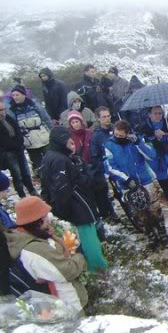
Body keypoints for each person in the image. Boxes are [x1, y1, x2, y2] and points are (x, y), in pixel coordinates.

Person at [40, 127, 109, 273]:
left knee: (80, 239)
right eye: (68, 141)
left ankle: (89, 267)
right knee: (89, 239)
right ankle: (98, 269)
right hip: (77, 207)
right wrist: (64, 211)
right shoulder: (60, 160)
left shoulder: (51, 156)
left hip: (72, 205)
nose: (71, 143)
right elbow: (62, 188)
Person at [5, 196, 88, 311]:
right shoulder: (36, 248)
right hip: (66, 306)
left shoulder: (31, 236)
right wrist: (79, 256)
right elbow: (69, 271)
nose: (49, 219)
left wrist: (53, 237)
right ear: (37, 221)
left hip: (63, 300)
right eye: (45, 216)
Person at [104, 120, 168, 248]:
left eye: (121, 136)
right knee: (140, 213)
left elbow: (152, 155)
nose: (118, 137)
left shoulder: (137, 140)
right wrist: (126, 179)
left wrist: (139, 144)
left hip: (145, 180)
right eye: (116, 134)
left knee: (155, 209)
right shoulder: (109, 145)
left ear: (128, 134)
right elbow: (109, 167)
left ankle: (162, 232)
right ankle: (150, 235)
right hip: (127, 185)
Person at [136, 106, 168, 228]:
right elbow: (140, 141)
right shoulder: (144, 127)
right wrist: (153, 136)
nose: (158, 115)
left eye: (160, 113)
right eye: (155, 113)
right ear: (149, 114)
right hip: (157, 164)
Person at [7, 85, 52, 175]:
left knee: (50, 160)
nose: (15, 97)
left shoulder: (35, 105)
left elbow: (46, 119)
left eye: (17, 95)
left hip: (44, 137)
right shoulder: (12, 110)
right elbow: (14, 127)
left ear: (23, 95)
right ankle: (44, 180)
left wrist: (52, 133)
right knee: (38, 164)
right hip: (29, 142)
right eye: (13, 95)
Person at [0, 102, 37, 197]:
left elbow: (17, 130)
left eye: (4, 109)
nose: (3, 112)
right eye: (1, 110)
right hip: (9, 152)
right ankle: (21, 194)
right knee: (17, 174)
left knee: (26, 171)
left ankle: (31, 190)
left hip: (19, 149)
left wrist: (20, 142)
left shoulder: (8, 118)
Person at [90, 107, 117, 221]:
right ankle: (111, 212)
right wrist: (105, 167)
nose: (107, 119)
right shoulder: (96, 136)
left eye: (108, 116)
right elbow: (95, 156)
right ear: (98, 118)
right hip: (109, 168)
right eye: (104, 117)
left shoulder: (116, 128)